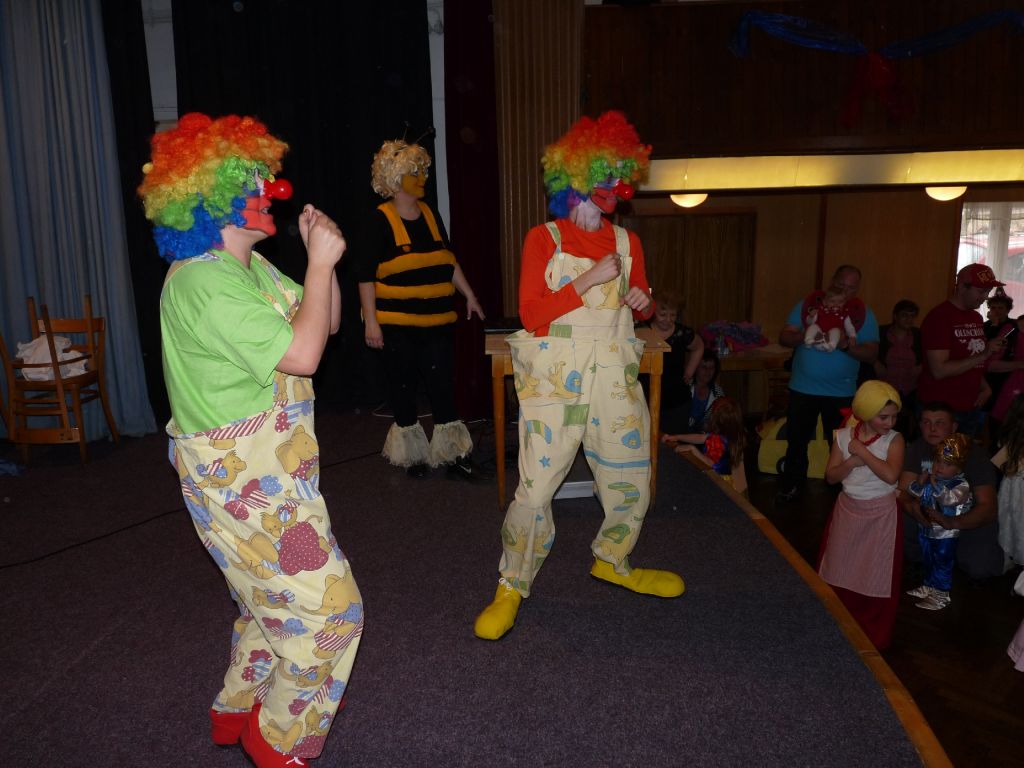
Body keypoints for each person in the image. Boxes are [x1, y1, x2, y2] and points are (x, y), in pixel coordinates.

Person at [139, 113, 363, 768]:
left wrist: (323, 265)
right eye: (254, 183)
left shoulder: (249, 268)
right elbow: (304, 355)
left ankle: (237, 709)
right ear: (211, 198)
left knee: (270, 605)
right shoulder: (201, 281)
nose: (272, 190)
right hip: (241, 480)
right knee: (332, 614)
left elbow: (327, 322)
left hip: (274, 467)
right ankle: (276, 740)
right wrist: (318, 264)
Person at [473, 111, 684, 641]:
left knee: (631, 474)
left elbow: (639, 305)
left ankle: (613, 559)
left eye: (620, 177)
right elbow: (530, 315)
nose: (615, 187)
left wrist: (642, 302)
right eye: (603, 176)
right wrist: (587, 279)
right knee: (535, 488)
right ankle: (511, 583)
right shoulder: (543, 238)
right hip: (555, 380)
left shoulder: (629, 243)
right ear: (575, 177)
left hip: (613, 376)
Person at [356, 137, 485, 479]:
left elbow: (448, 261)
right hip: (397, 324)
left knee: (442, 385)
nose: (423, 178)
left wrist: (469, 295)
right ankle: (412, 457)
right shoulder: (379, 220)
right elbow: (365, 276)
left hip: (438, 321)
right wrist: (371, 322)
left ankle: (452, 454)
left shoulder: (430, 213)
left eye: (423, 171)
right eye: (415, 172)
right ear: (396, 178)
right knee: (403, 387)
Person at [776, 265, 880, 503]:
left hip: (841, 392)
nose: (845, 291)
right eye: (841, 285)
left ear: (858, 289)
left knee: (840, 445)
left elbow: (872, 354)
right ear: (832, 281)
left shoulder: (861, 313)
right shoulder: (809, 305)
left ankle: (841, 494)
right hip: (803, 388)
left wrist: (844, 345)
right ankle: (792, 486)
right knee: (797, 441)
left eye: (851, 288)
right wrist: (807, 335)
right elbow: (784, 337)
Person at [817, 380, 904, 650]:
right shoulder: (843, 436)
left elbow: (891, 475)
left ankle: (870, 633)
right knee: (838, 567)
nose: (890, 422)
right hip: (848, 511)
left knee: (874, 574)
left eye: (894, 416)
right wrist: (851, 462)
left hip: (880, 516)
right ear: (865, 413)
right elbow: (831, 477)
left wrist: (863, 453)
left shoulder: (895, 440)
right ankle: (838, 622)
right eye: (883, 417)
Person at [898, 402, 1004, 582]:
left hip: (965, 519)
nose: (932, 429)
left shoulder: (974, 454)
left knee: (980, 569)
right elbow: (903, 492)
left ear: (954, 427)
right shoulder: (917, 448)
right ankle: (921, 558)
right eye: (926, 422)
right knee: (899, 512)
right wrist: (913, 508)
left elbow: (988, 508)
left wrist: (952, 522)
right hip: (930, 518)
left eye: (939, 423)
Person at [916, 263, 1007, 437]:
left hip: (969, 405)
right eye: (981, 291)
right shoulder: (940, 317)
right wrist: (985, 354)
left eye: (988, 292)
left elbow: (970, 361)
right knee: (939, 455)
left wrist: (985, 387)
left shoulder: (975, 317)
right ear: (962, 287)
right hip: (941, 410)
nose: (985, 297)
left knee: (965, 453)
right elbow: (939, 370)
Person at [905, 433, 973, 610]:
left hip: (946, 533)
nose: (940, 467)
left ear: (958, 468)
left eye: (947, 464)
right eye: (937, 462)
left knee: (942, 562)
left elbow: (950, 499)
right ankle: (929, 586)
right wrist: (920, 483)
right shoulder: (932, 480)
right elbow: (915, 492)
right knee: (928, 559)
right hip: (927, 529)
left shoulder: (960, 484)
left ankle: (941, 594)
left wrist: (935, 485)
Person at [662, 396, 748, 494]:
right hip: (727, 481)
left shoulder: (718, 441)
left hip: (719, 482)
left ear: (715, 418)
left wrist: (693, 449)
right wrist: (677, 437)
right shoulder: (733, 436)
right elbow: (700, 437)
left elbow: (710, 464)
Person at [645, 290, 703, 434]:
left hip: (676, 404)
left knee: (673, 443)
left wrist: (689, 371)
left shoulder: (682, 333)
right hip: (645, 401)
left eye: (673, 315)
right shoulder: (641, 330)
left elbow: (699, 347)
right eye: (663, 314)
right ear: (653, 311)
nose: (668, 319)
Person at [873, 299, 922, 436]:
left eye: (912, 316)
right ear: (895, 316)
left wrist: (921, 367)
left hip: (909, 388)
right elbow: (870, 351)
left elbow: (928, 356)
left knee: (905, 428)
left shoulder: (918, 335)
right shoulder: (881, 332)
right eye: (904, 315)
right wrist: (875, 363)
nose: (909, 319)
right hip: (884, 388)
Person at [991, 394, 1024, 568]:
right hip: (1015, 492)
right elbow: (1000, 463)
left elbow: (999, 463)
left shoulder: (1011, 441)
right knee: (1015, 523)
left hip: (1014, 490)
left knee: (1014, 524)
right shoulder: (1012, 442)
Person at [802, 283, 866, 352]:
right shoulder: (820, 311)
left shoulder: (844, 315)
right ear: (825, 302)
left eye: (840, 302)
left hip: (831, 339)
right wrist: (811, 316)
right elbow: (810, 322)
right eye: (832, 301)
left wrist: (852, 336)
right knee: (813, 326)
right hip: (817, 337)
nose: (836, 304)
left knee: (837, 331)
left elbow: (850, 327)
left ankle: (831, 345)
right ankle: (808, 340)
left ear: (845, 302)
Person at [685, 349, 725, 432]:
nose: (708, 371)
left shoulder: (718, 393)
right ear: (696, 368)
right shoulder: (685, 386)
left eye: (711, 368)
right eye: (704, 367)